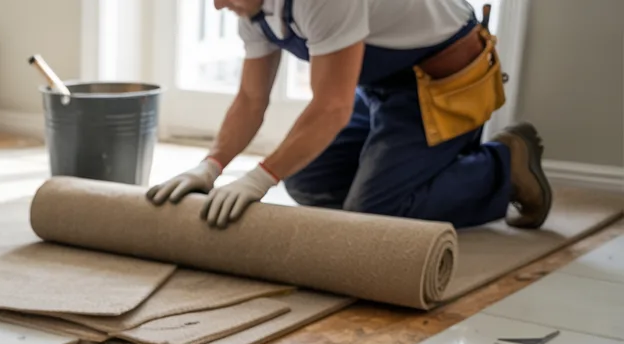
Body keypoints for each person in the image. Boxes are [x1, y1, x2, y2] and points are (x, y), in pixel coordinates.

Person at [148, 0, 552, 232]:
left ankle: (503, 165)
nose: (218, 4)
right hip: (377, 85)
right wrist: (210, 165)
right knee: (306, 181)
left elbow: (332, 107)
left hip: (445, 83)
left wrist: (258, 177)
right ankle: (398, 176)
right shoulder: (253, 8)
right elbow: (252, 98)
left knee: (375, 216)